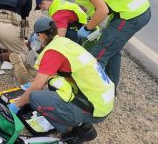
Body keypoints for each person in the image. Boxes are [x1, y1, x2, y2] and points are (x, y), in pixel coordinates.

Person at [8, 16, 115, 144]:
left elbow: (37, 86)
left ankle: (77, 128)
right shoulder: (64, 42)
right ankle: (76, 114)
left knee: (35, 97)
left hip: (95, 108)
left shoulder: (53, 51)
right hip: (104, 100)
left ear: (41, 35)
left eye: (36, 35)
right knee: (53, 82)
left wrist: (16, 105)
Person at [59, 0, 151, 88]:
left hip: (130, 15)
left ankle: (92, 96)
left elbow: (102, 10)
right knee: (113, 49)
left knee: (98, 55)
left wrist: (87, 28)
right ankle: (111, 90)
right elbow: (95, 4)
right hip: (140, 8)